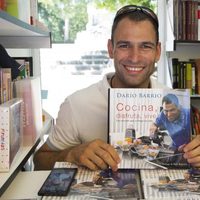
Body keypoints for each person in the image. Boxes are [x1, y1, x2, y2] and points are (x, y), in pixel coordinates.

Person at [33, 4, 200, 171]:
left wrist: (195, 155)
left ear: (157, 52)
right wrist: (70, 154)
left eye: (145, 46)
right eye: (124, 46)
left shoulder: (174, 102)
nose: (134, 58)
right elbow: (40, 161)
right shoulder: (76, 104)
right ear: (110, 49)